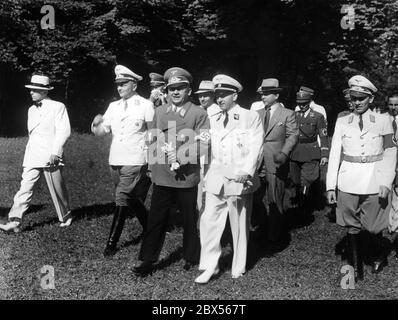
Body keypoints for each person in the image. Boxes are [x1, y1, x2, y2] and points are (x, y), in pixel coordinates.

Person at [133, 67, 210, 276]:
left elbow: (204, 144)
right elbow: (153, 140)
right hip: (162, 176)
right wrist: (150, 167)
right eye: (172, 89)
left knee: (188, 218)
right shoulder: (160, 112)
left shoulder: (199, 113)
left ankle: (191, 256)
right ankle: (147, 259)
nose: (175, 92)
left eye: (180, 88)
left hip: (186, 177)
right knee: (156, 219)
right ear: (167, 91)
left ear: (189, 90)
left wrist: (183, 157)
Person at [326, 75, 397, 282]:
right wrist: (331, 186)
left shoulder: (383, 121)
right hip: (348, 179)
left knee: (374, 225)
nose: (357, 102)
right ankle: (356, 268)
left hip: (375, 179)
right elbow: (334, 154)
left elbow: (390, 152)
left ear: (370, 99)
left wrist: (385, 181)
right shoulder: (342, 121)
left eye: (361, 98)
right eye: (354, 98)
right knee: (351, 224)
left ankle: (378, 253)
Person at [194, 74, 264, 284]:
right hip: (215, 176)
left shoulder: (248, 116)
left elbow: (256, 146)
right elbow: (203, 143)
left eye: (224, 94)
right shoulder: (211, 117)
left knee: (239, 222)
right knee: (209, 221)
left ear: (234, 95)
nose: (220, 99)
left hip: (239, 177)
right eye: (217, 95)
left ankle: (238, 266)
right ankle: (209, 265)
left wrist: (247, 171)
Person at [91, 65, 154, 257]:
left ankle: (111, 243)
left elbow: (153, 133)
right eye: (117, 84)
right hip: (116, 159)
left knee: (121, 197)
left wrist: (151, 158)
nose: (119, 88)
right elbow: (103, 131)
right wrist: (95, 125)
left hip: (135, 158)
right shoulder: (113, 106)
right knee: (131, 197)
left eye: (123, 84)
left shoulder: (145, 105)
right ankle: (151, 225)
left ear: (133, 85)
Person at [0, 74, 72, 232]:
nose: (31, 92)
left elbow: (64, 131)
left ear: (45, 92)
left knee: (57, 188)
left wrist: (56, 152)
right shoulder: (31, 110)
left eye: (35, 90)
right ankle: (15, 221)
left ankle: (65, 216)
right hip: (32, 155)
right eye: (31, 89)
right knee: (25, 186)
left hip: (51, 155)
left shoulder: (58, 107)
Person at [252, 78, 299, 250]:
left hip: (276, 162)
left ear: (276, 95)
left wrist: (284, 153)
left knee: (274, 198)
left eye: (266, 93)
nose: (263, 96)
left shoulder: (287, 114)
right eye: (262, 93)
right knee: (254, 197)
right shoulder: (257, 114)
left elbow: (293, 136)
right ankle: (260, 225)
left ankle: (274, 235)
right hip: (257, 163)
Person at [290, 90, 329, 214]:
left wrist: (324, 154)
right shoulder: (292, 115)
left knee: (307, 180)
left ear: (309, 102)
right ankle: (301, 198)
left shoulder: (317, 116)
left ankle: (304, 205)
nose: (301, 105)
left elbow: (323, 136)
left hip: (310, 151)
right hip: (295, 151)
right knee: (296, 180)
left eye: (304, 103)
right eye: (299, 103)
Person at [194, 80, 221, 212]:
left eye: (206, 95)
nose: (202, 98)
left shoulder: (219, 112)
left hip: (213, 156)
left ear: (213, 96)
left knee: (212, 190)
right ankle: (198, 220)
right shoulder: (196, 111)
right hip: (198, 154)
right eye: (200, 95)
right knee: (198, 188)